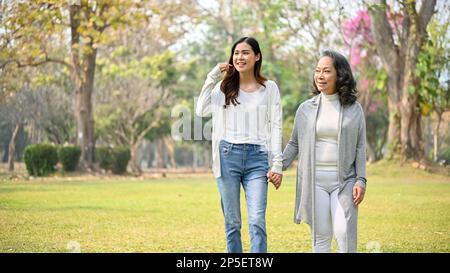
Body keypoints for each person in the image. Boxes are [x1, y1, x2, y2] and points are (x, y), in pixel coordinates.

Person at [196, 37, 283, 253]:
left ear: (257, 56)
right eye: (236, 53)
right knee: (233, 223)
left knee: (256, 220)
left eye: (245, 52)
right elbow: (201, 110)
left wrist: (277, 164)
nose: (240, 57)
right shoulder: (224, 87)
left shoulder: (269, 88)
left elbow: (276, 127)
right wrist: (213, 75)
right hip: (228, 156)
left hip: (258, 159)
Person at [282, 50, 367, 253]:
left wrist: (361, 179)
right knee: (320, 238)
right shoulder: (305, 109)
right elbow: (294, 143)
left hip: (344, 181)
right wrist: (278, 166)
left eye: (327, 71)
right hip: (314, 182)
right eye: (318, 71)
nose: (320, 76)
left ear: (340, 75)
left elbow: (360, 146)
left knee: (344, 232)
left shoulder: (354, 109)